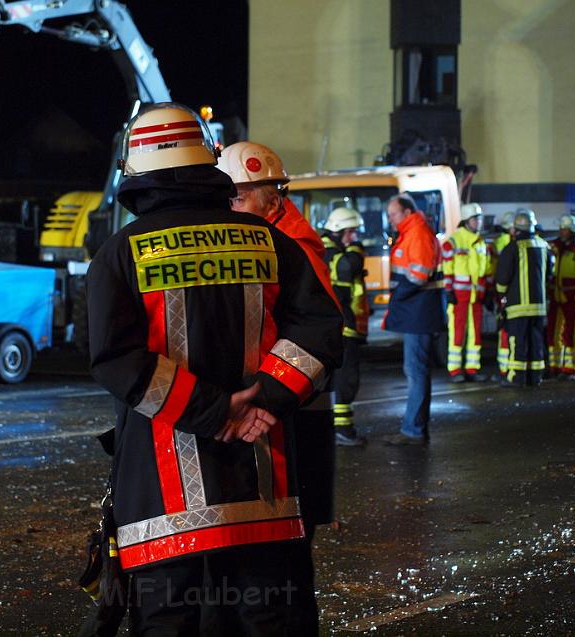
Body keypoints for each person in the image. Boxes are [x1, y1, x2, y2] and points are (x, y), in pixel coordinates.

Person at [86, 104, 343, 635]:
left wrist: (213, 411)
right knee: (271, 622)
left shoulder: (119, 254)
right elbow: (320, 329)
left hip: (161, 510)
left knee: (169, 625)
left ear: (137, 174)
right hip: (264, 489)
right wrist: (264, 399)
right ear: (207, 165)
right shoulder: (270, 242)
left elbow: (115, 358)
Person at [216, 139, 340, 633]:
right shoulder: (269, 236)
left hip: (294, 413)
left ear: (273, 197)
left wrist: (265, 397)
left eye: (242, 197)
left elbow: (318, 336)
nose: (233, 207)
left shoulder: (293, 244)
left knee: (287, 547)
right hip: (276, 410)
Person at [382, 193, 445, 445]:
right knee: (416, 371)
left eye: (393, 214)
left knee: (415, 371)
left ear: (407, 213)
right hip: (418, 312)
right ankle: (415, 428)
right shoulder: (413, 231)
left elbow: (418, 275)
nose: (391, 219)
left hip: (418, 312)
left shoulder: (417, 232)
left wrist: (397, 297)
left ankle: (413, 430)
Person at [321, 207, 370, 446]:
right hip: (341, 326)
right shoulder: (332, 251)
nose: (354, 237)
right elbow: (347, 269)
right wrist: (356, 250)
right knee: (346, 378)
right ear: (339, 230)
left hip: (339, 324)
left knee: (339, 378)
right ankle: (343, 429)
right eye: (351, 232)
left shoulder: (331, 248)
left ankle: (337, 427)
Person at [494, 208, 553, 387]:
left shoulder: (512, 248)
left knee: (518, 341)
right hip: (539, 307)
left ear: (516, 229)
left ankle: (517, 377)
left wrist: (501, 296)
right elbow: (550, 274)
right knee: (536, 341)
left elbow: (503, 278)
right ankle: (535, 377)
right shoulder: (545, 247)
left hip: (517, 306)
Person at [441, 203, 491, 382]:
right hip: (459, 296)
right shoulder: (453, 242)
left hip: (476, 297)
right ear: (466, 221)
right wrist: (448, 291)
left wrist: (488, 292)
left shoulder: (481, 242)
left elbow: (486, 270)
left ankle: (472, 368)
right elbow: (447, 269)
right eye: (475, 219)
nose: (479, 222)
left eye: (480, 219)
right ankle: (455, 370)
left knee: (476, 333)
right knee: (457, 333)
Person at [547, 214, 575, 379]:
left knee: (571, 332)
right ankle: (554, 366)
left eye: (564, 229)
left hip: (573, 298)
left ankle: (570, 368)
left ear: (573, 231)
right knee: (553, 332)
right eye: (561, 229)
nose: (561, 232)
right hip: (556, 296)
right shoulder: (556, 247)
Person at [491, 212, 517, 378]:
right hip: (510, 293)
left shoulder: (501, 243)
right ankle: (506, 368)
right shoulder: (504, 243)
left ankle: (505, 369)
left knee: (506, 331)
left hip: (505, 292)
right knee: (508, 332)